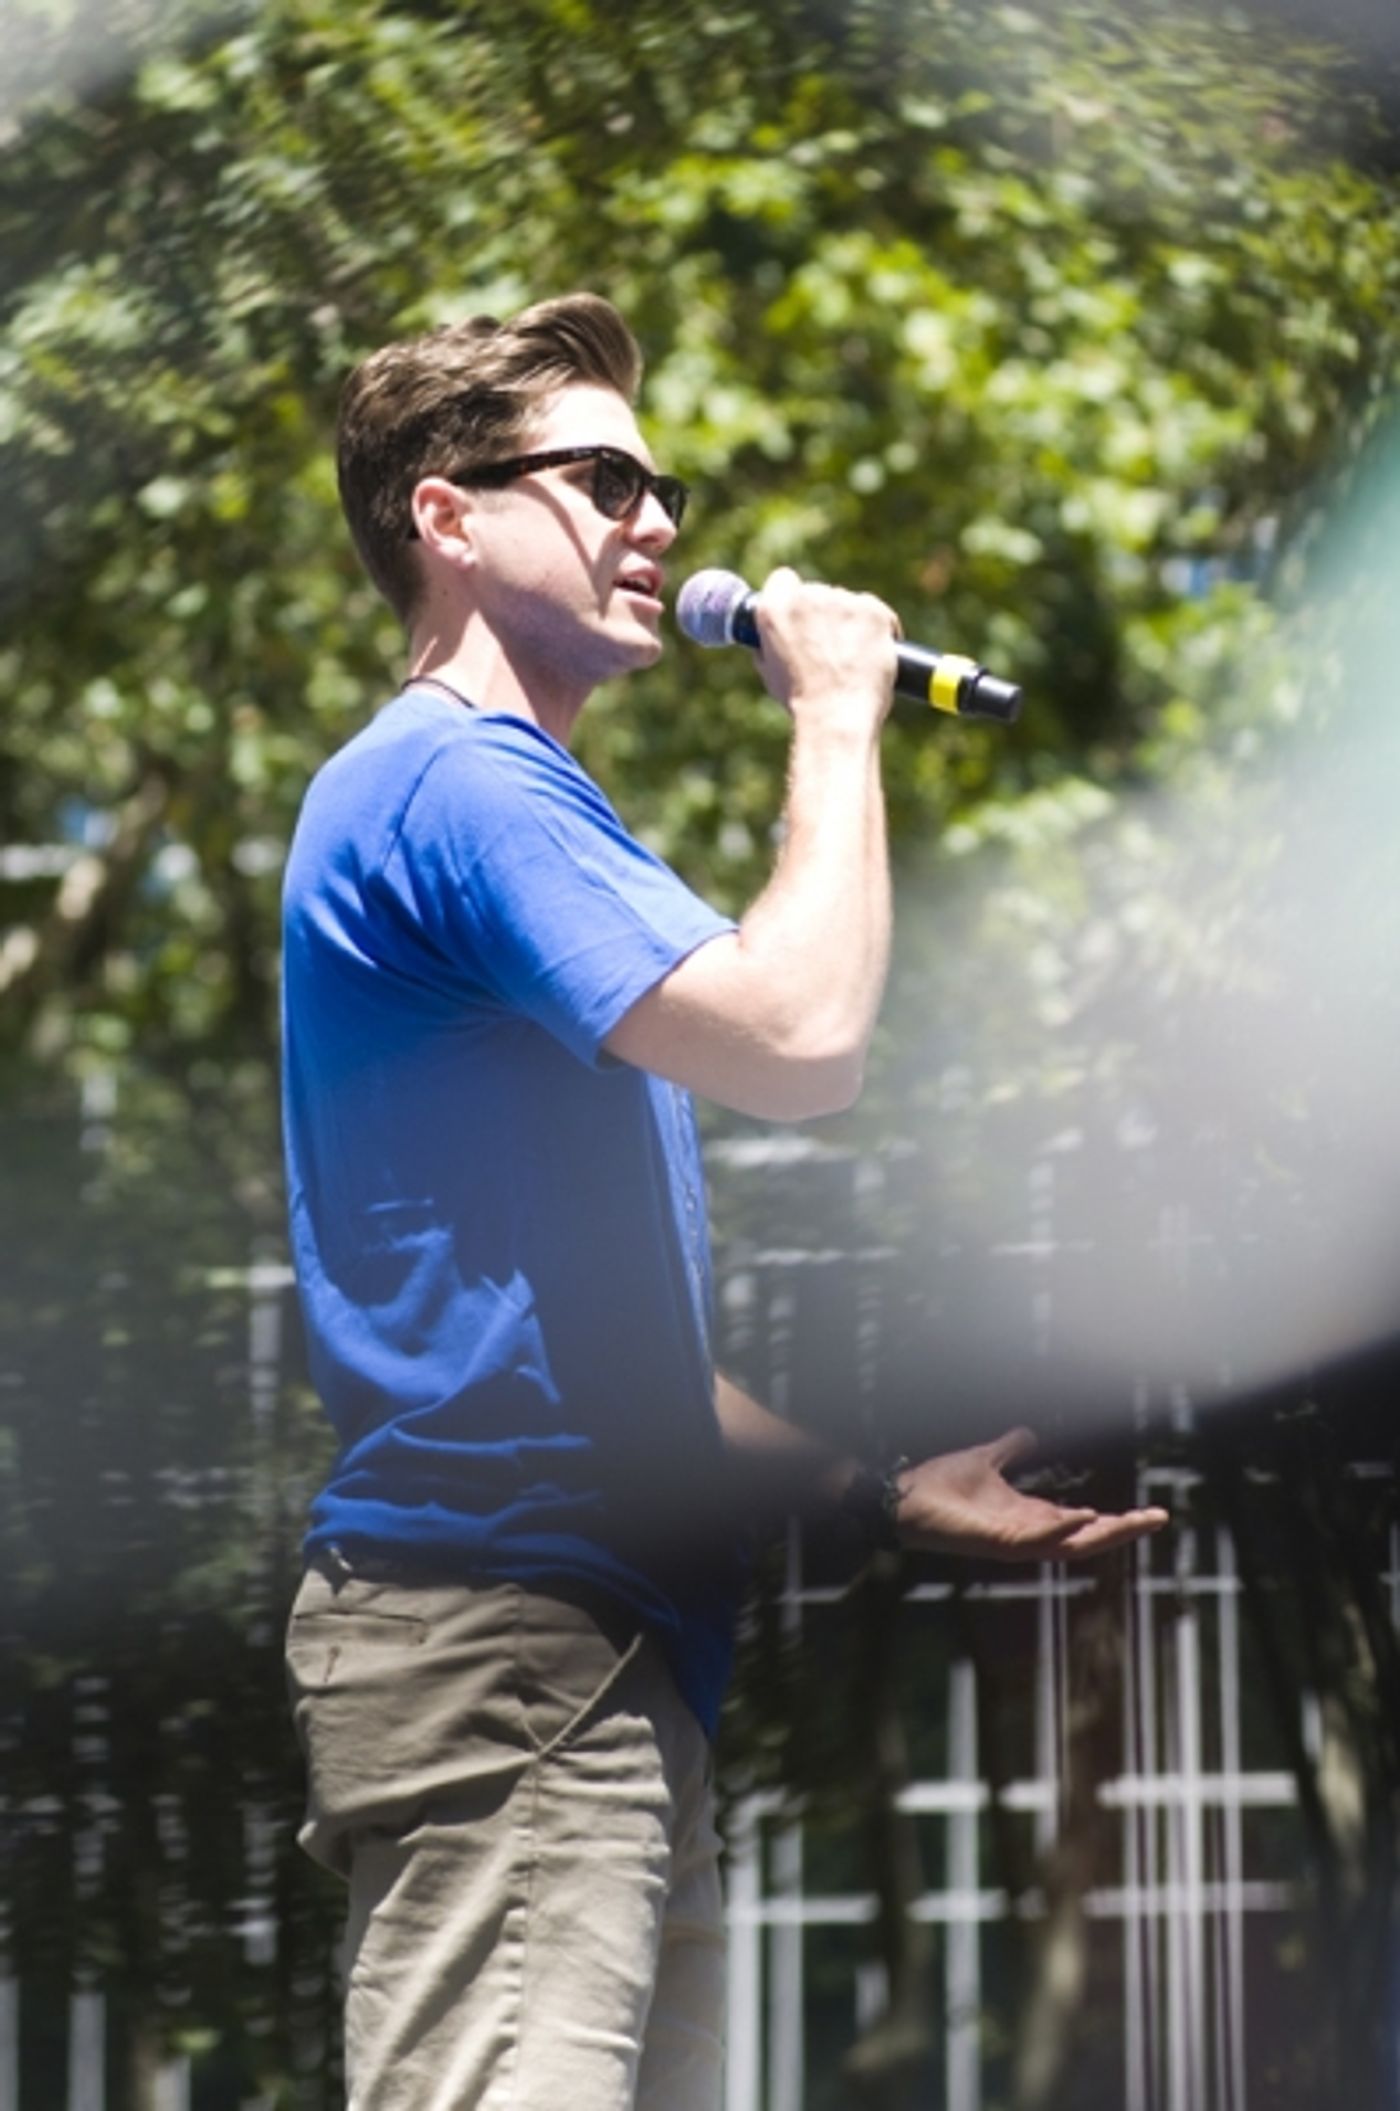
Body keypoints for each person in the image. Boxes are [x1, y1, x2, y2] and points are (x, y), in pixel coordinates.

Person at [280, 291, 1167, 2111]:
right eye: (606, 480)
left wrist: (873, 1491)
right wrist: (835, 719)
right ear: (448, 518)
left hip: (591, 1657)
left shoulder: (505, 809)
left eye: (663, 486)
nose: (661, 523)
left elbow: (607, 1360)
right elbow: (804, 1037)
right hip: (511, 1640)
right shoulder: (460, 781)